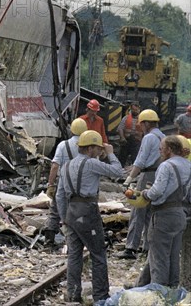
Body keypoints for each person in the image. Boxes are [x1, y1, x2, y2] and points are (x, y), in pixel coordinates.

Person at [55, 130, 124, 303]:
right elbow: (118, 172)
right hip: (87, 211)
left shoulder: (65, 166)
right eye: (98, 148)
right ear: (91, 148)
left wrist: (64, 218)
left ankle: (73, 294)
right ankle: (100, 296)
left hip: (71, 212)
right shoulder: (92, 163)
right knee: (98, 254)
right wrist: (111, 154)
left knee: (74, 255)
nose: (100, 151)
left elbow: (59, 195)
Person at [135, 136, 191, 287]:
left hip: (163, 215)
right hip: (180, 214)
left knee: (159, 258)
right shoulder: (188, 165)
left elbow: (157, 191)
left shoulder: (166, 166)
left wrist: (145, 194)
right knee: (173, 257)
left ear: (170, 149)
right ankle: (172, 291)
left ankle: (158, 293)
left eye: (161, 148)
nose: (160, 151)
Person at [117, 109, 165, 259]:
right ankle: (147, 246)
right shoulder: (162, 136)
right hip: (158, 174)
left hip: (147, 175)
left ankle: (131, 247)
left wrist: (128, 179)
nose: (140, 127)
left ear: (146, 123)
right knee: (151, 212)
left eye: (142, 124)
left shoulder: (149, 137)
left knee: (138, 211)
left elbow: (141, 161)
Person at [42, 118, 88, 246]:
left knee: (55, 210)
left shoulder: (63, 145)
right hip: (81, 184)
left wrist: (50, 184)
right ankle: (78, 238)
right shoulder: (89, 146)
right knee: (79, 209)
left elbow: (55, 166)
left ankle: (49, 239)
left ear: (71, 130)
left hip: (64, 182)